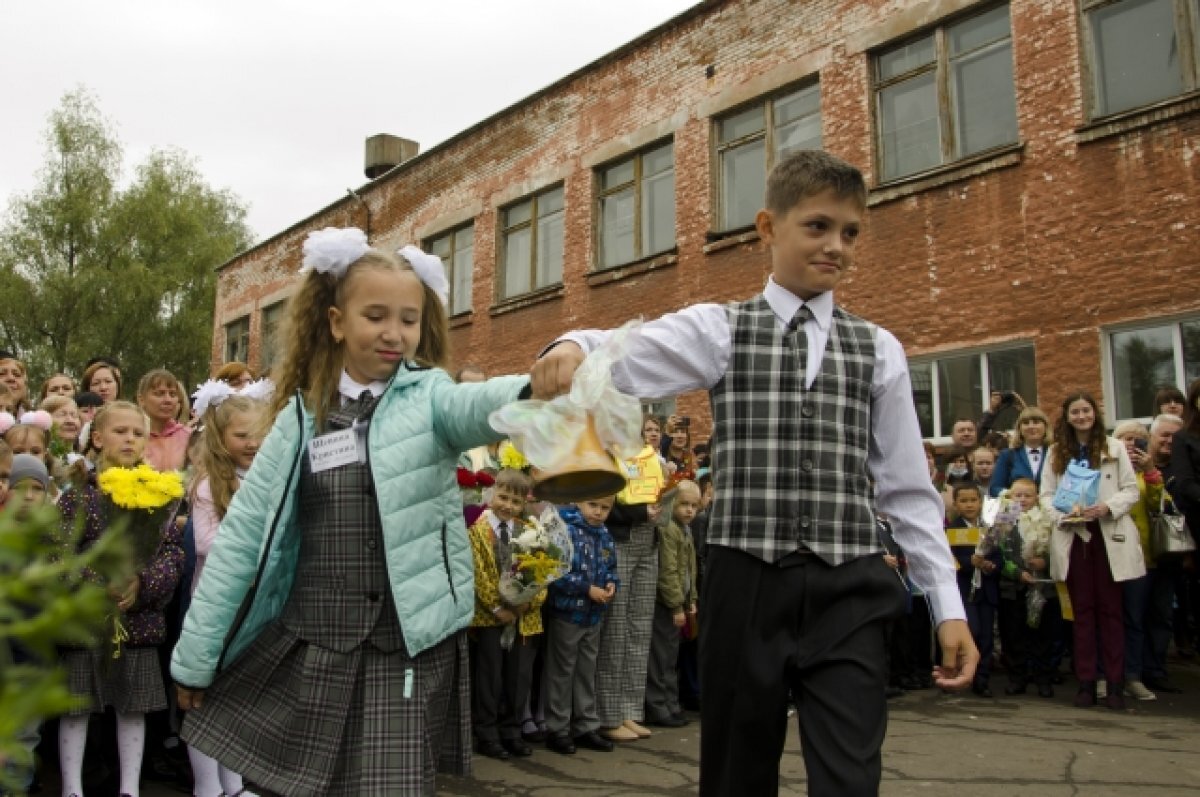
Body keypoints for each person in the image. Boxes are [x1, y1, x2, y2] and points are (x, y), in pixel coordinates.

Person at [530, 150, 974, 797]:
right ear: (768, 227)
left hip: (849, 585)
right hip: (745, 584)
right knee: (736, 774)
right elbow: (622, 347)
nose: (836, 245)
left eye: (850, 232)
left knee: (852, 778)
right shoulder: (722, 330)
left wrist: (947, 605)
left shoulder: (880, 349)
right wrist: (571, 346)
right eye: (817, 226)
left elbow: (908, 490)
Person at [171, 229, 532, 796]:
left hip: (406, 649)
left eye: (409, 319)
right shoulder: (298, 419)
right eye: (376, 316)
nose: (394, 333)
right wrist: (195, 658)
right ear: (337, 321)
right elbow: (240, 544)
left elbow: (481, 404)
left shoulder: (432, 398)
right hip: (313, 645)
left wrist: (537, 387)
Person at [57, 400, 186, 797]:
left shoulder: (158, 496)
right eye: (120, 431)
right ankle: (72, 788)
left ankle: (130, 788)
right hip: (86, 624)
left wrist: (141, 584)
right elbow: (58, 554)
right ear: (97, 438)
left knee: (132, 709)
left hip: (136, 625)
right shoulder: (78, 496)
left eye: (138, 433)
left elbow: (171, 555)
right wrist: (99, 584)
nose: (130, 439)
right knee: (77, 708)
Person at [1041, 392, 1144, 710]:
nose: (1082, 416)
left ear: (1095, 414)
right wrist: (1061, 515)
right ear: (1067, 417)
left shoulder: (1114, 448)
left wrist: (1107, 508)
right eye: (1075, 412)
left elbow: (1131, 490)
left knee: (1111, 612)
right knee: (1082, 613)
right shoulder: (1057, 451)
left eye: (1086, 410)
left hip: (1107, 535)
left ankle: (1114, 684)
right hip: (1075, 537)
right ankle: (1086, 682)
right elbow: (1045, 494)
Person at [184, 392, 264, 797]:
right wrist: (257, 546)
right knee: (205, 699)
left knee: (236, 698)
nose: (252, 443)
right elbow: (204, 543)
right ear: (219, 437)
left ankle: (233, 784)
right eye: (242, 434)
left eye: (259, 434)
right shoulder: (207, 484)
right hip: (215, 609)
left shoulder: (265, 479)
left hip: (251, 608)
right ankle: (206, 786)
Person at [595, 414, 665, 743]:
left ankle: (630, 710)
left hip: (647, 541)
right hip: (620, 540)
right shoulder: (603, 456)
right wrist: (640, 512)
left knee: (640, 626)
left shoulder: (647, 456)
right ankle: (608, 715)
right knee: (617, 629)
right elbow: (601, 505)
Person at [467, 468, 544, 761]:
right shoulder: (477, 530)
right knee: (489, 677)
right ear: (492, 493)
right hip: (491, 619)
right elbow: (479, 574)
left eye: (515, 501)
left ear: (524, 503)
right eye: (503, 497)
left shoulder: (530, 531)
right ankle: (486, 733)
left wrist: (529, 602)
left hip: (523, 618)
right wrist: (497, 608)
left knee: (518, 678)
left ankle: (511, 731)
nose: (507, 506)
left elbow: (543, 571)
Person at [542, 495, 620, 756]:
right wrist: (587, 589)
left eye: (604, 508)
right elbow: (556, 570)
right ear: (579, 503)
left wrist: (611, 584)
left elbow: (611, 566)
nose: (598, 512)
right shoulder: (566, 529)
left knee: (586, 670)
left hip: (593, 614)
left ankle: (586, 725)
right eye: (593, 505)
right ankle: (558, 728)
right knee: (562, 671)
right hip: (568, 613)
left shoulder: (604, 533)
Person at [1110, 420, 1161, 702]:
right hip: (1109, 553)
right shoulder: (1108, 469)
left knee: (1134, 618)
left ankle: (1132, 675)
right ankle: (1108, 674)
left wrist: (1151, 472)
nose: (1130, 444)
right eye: (1125, 438)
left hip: (1141, 555)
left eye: (1137, 439)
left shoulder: (1146, 473)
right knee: (1109, 616)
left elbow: (1160, 506)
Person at [645, 478, 700, 727]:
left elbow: (689, 568)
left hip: (679, 602)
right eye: (684, 504)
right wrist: (677, 605)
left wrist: (692, 600)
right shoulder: (668, 528)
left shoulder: (685, 530)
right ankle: (659, 705)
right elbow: (667, 571)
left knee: (671, 656)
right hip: (665, 604)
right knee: (661, 657)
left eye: (694, 506)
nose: (689, 510)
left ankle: (671, 703)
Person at [998, 477, 1060, 698]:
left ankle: (1043, 678)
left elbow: (1060, 549)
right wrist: (1016, 572)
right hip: (1012, 587)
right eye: (1018, 495)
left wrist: (1046, 562)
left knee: (1044, 635)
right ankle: (1017, 678)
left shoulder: (1048, 518)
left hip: (1043, 586)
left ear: (1037, 497)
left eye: (1028, 495)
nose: (1022, 499)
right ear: (1010, 496)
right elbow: (996, 550)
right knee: (1014, 636)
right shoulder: (1004, 517)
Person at [945, 482, 1000, 697]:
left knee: (986, 635)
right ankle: (958, 672)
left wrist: (990, 566)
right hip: (964, 589)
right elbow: (951, 560)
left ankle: (982, 679)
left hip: (986, 590)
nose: (969, 505)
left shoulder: (990, 529)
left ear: (980, 502)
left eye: (973, 500)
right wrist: (970, 562)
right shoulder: (953, 530)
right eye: (964, 501)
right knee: (972, 631)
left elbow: (998, 557)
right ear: (956, 504)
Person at [1145, 413, 1186, 694]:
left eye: (1175, 437)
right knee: (1135, 615)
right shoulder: (1135, 465)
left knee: (1161, 614)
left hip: (1170, 554)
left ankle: (1156, 670)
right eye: (1164, 435)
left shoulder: (1184, 469)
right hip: (1139, 551)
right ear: (1152, 437)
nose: (1169, 441)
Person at [138, 369, 192, 472]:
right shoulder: (133, 436)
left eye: (172, 394)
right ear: (141, 400)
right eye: (159, 394)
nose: (168, 400)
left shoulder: (189, 437)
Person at [990, 406, 1052, 497]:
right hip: (1017, 508)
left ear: (1045, 426)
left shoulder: (1054, 454)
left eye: (1036, 422)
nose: (1031, 426)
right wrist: (1014, 494)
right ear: (1019, 429)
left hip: (1049, 508)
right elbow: (995, 488)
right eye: (1026, 423)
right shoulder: (1008, 455)